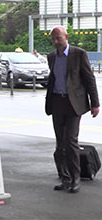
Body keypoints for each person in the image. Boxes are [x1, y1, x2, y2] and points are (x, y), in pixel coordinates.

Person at [45, 26, 100, 193]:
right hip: (57, 103)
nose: (56, 42)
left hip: (73, 104)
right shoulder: (52, 57)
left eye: (59, 38)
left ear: (66, 37)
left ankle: (76, 178)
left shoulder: (78, 54)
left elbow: (89, 78)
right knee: (60, 144)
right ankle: (65, 178)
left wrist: (95, 103)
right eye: (53, 39)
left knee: (70, 141)